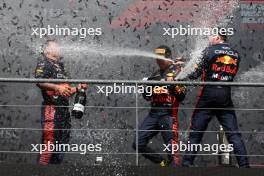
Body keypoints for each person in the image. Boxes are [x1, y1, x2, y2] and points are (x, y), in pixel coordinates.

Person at [181, 33, 249, 167]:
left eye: (211, 36)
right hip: (225, 95)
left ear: (218, 38)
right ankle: (245, 166)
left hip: (209, 95)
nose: (209, 38)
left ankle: (186, 164)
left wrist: (182, 75)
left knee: (196, 132)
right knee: (233, 133)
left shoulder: (209, 50)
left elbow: (195, 74)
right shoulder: (235, 54)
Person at [132, 45, 186, 167]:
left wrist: (172, 85)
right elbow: (147, 97)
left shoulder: (178, 72)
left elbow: (182, 96)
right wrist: (144, 89)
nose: (159, 61)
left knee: (172, 152)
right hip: (154, 113)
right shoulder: (155, 73)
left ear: (168, 58)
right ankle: (161, 162)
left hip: (168, 114)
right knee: (138, 143)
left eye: (161, 59)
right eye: (157, 59)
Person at [35, 40, 87, 165]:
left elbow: (65, 91)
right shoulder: (44, 63)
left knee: (61, 145)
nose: (59, 47)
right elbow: (39, 81)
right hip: (51, 109)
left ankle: (54, 170)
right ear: (47, 50)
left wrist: (78, 88)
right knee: (50, 144)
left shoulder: (61, 66)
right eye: (55, 45)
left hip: (64, 111)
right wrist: (57, 88)